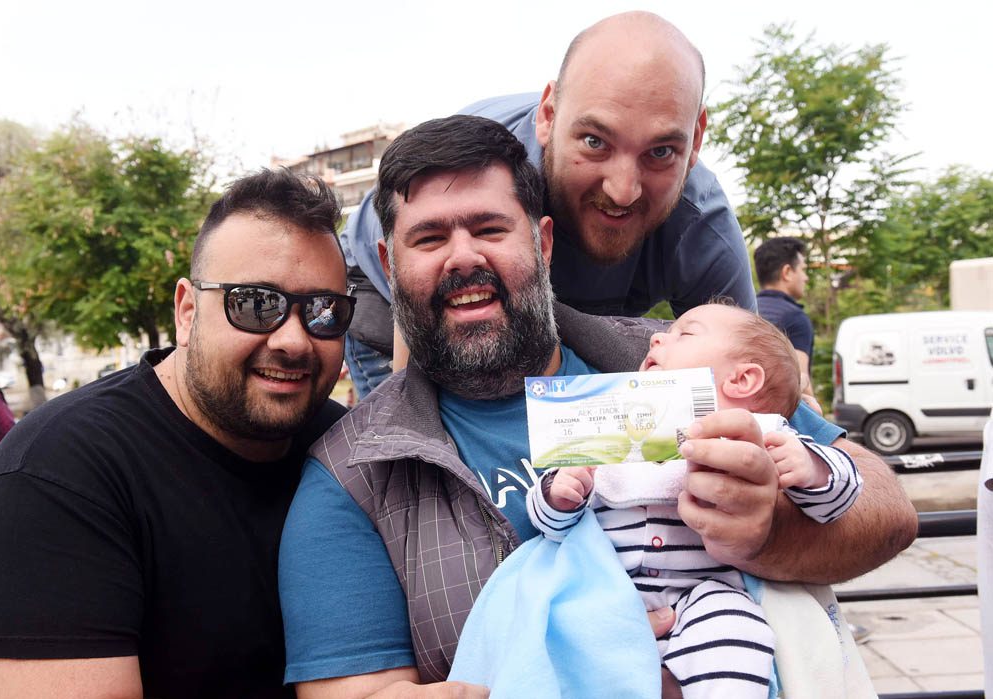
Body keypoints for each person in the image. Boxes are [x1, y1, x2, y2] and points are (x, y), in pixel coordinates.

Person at [278, 115, 917, 698]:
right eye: (429, 237)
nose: (464, 256)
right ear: (389, 266)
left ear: (543, 243)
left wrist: (769, 533)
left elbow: (888, 511)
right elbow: (351, 690)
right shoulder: (354, 471)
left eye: (491, 228)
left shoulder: (677, 358)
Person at [0, 169, 354, 699]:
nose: (294, 341)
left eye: (324, 311)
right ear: (187, 312)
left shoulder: (347, 451)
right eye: (255, 304)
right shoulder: (58, 473)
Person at [341, 11, 757, 398]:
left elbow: (754, 375)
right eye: (595, 142)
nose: (622, 192)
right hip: (398, 296)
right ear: (548, 116)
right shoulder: (485, 175)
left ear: (695, 139)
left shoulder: (703, 233)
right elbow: (419, 275)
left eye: (661, 151)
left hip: (542, 316)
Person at [528, 303, 862, 696]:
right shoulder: (609, 427)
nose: (656, 337)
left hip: (706, 591)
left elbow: (841, 495)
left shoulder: (765, 436)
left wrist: (811, 467)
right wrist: (558, 497)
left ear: (742, 379)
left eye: (684, 333)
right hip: (606, 593)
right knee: (555, 636)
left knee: (737, 630)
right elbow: (551, 529)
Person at [754, 236, 814, 375]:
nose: (806, 278)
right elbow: (799, 379)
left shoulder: (743, 310)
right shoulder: (794, 317)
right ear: (787, 272)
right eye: (802, 269)